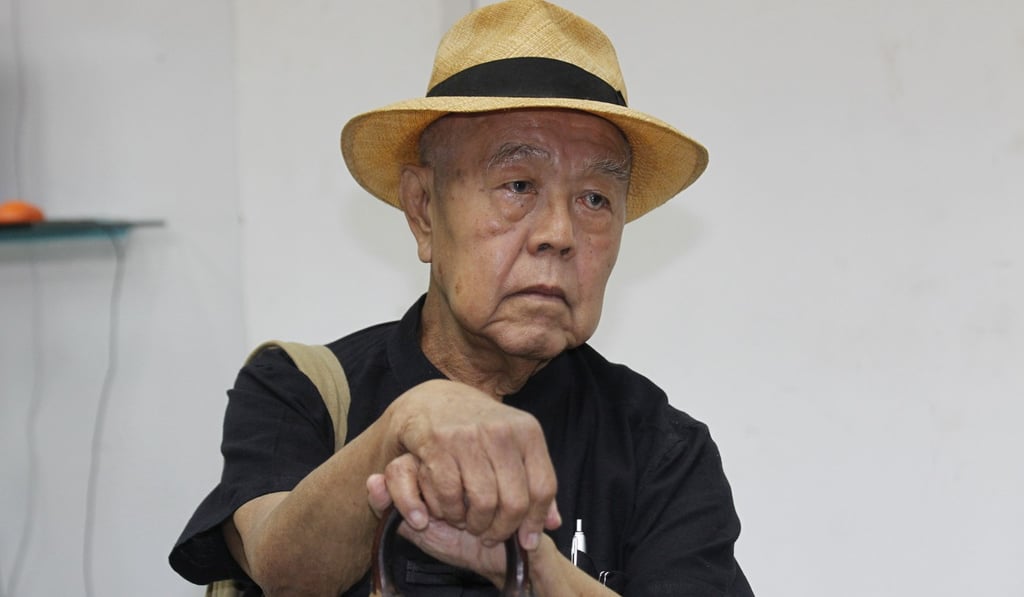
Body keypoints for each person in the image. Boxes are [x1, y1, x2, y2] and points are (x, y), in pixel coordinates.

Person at [170, 0, 753, 595]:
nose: (559, 233)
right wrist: (406, 421)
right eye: (518, 185)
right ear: (423, 211)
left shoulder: (659, 448)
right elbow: (279, 566)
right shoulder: (305, 391)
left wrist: (528, 564)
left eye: (595, 200)